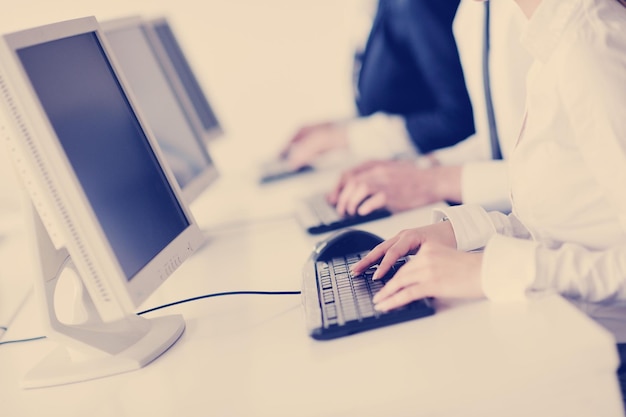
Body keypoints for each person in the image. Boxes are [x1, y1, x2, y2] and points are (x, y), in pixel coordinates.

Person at [351, 0, 626, 407]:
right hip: (574, 330)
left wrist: (490, 270)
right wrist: (461, 232)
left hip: (606, 358)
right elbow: (574, 216)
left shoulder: (589, 42)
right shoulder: (551, 36)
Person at [328, 0, 532, 217]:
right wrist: (422, 168)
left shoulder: (543, 16)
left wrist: (435, 181)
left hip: (539, 230)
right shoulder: (472, 13)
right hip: (513, 219)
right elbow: (502, 141)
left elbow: (559, 176)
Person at [279, 0, 475, 171]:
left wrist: (345, 138)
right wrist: (339, 127)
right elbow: (406, 100)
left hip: (433, 182)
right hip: (401, 172)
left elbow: (460, 120)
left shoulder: (418, 4)